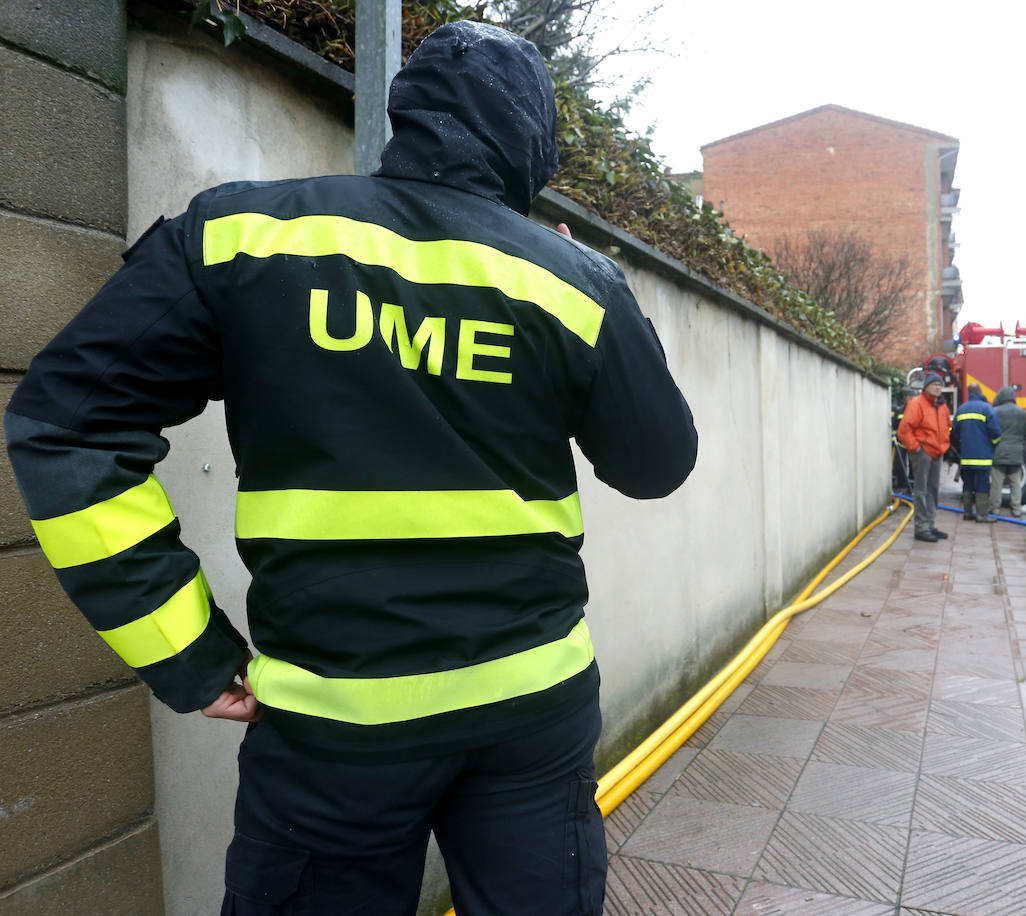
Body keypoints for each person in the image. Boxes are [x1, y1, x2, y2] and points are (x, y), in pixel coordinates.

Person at [4, 22, 697, 916]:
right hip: (533, 717)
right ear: (531, 146)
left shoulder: (241, 238)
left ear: (406, 116)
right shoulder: (571, 284)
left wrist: (187, 652)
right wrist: (605, 285)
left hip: (333, 732)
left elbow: (66, 423)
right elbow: (656, 466)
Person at [897, 373, 951, 543]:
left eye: (939, 385)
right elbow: (904, 431)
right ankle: (921, 527)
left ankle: (930, 525)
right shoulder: (917, 404)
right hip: (924, 453)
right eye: (934, 384)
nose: (938, 387)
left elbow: (947, 427)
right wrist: (917, 448)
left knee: (933, 491)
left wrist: (944, 446)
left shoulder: (941, 406)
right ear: (926, 387)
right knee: (921, 490)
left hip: (937, 452)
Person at [954, 383, 1002, 522]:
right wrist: (993, 445)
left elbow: (955, 432)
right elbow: (996, 432)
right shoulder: (987, 408)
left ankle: (967, 513)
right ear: (981, 392)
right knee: (982, 484)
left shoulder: (962, 409)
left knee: (967, 483)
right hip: (983, 456)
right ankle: (981, 515)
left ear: (969, 393)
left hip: (966, 456)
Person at [990, 386, 1026, 518]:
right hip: (1016, 453)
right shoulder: (1023, 413)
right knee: (1015, 484)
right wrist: (1019, 444)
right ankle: (1017, 509)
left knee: (997, 484)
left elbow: (990, 432)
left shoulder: (995, 411)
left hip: (999, 452)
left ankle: (995, 509)